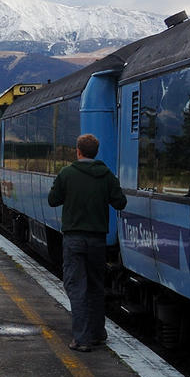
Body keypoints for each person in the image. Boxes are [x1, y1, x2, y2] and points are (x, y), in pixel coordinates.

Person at [48, 134, 127, 353]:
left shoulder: (67, 173)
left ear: (78, 151)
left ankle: (82, 339)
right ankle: (98, 333)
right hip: (97, 240)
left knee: (76, 287)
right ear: (96, 152)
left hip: (73, 239)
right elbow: (120, 202)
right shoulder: (106, 175)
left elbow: (53, 200)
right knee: (95, 286)